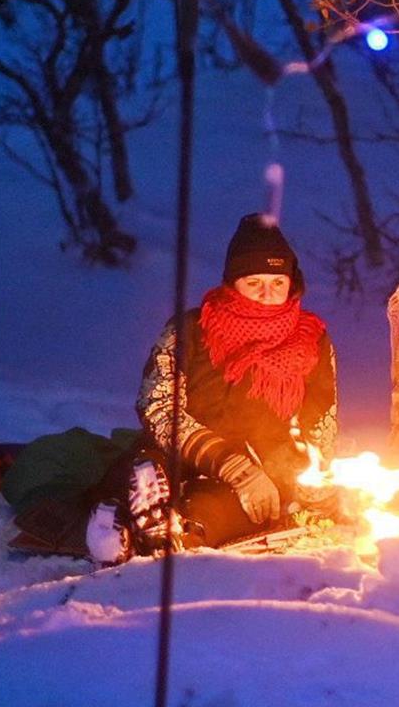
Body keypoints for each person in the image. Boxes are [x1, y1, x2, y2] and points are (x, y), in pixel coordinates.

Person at [128, 212, 339, 552]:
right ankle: (130, 513)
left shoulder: (311, 339)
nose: (267, 294)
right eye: (254, 283)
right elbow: (158, 408)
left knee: (221, 509)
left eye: (278, 283)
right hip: (186, 455)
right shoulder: (191, 329)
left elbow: (320, 423)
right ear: (232, 282)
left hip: (265, 468)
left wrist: (311, 484)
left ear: (292, 283)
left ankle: (172, 531)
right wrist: (230, 464)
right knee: (143, 468)